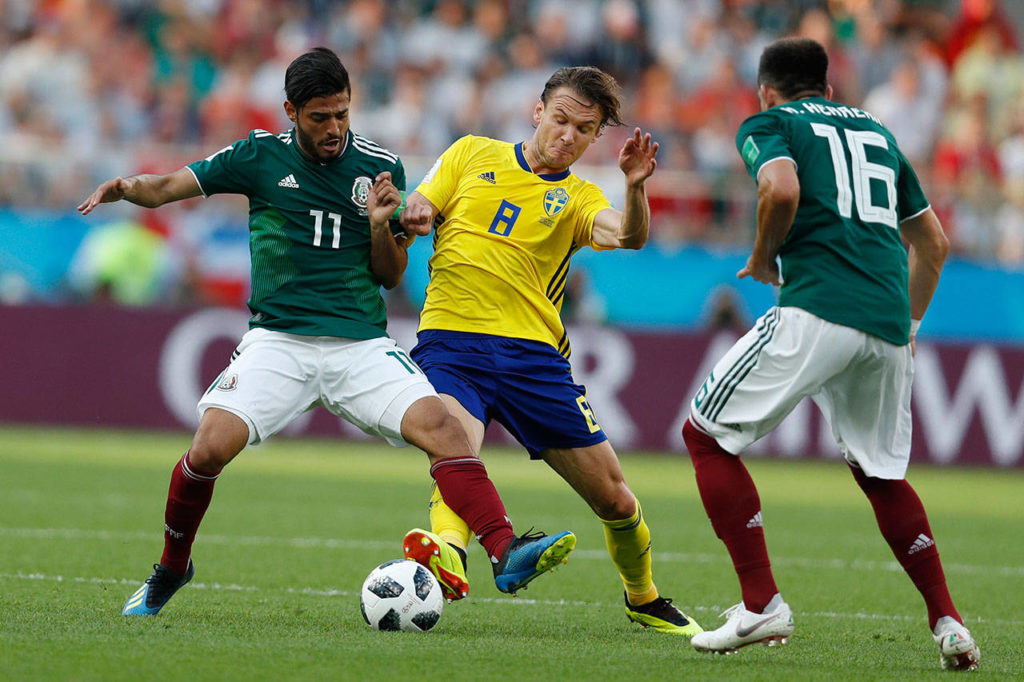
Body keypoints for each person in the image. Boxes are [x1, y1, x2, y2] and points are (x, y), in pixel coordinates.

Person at [77, 47, 575, 616]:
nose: (335, 128)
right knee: (207, 450)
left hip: (360, 342)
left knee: (444, 427)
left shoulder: (378, 167)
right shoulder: (257, 156)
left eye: (342, 113)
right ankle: (172, 566)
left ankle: (504, 548)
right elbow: (168, 187)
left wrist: (380, 225)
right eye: (320, 117)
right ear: (291, 111)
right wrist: (126, 188)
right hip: (279, 341)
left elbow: (389, 275)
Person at [680, 38, 981, 671]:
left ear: (766, 91)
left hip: (817, 308)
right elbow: (933, 243)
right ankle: (949, 621)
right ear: (831, 89)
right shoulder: (877, 131)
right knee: (881, 475)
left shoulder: (770, 122)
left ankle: (761, 603)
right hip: (886, 324)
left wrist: (763, 257)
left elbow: (780, 188)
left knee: (705, 435)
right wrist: (910, 322)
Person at [397, 65, 701, 635]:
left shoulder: (580, 196)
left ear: (594, 139)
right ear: (538, 111)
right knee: (454, 446)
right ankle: (449, 554)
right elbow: (422, 204)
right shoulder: (470, 154)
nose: (567, 135)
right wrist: (416, 213)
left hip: (534, 361)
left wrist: (635, 187)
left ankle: (644, 597)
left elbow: (630, 236)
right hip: (451, 341)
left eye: (582, 129)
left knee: (614, 498)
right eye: (560, 119)